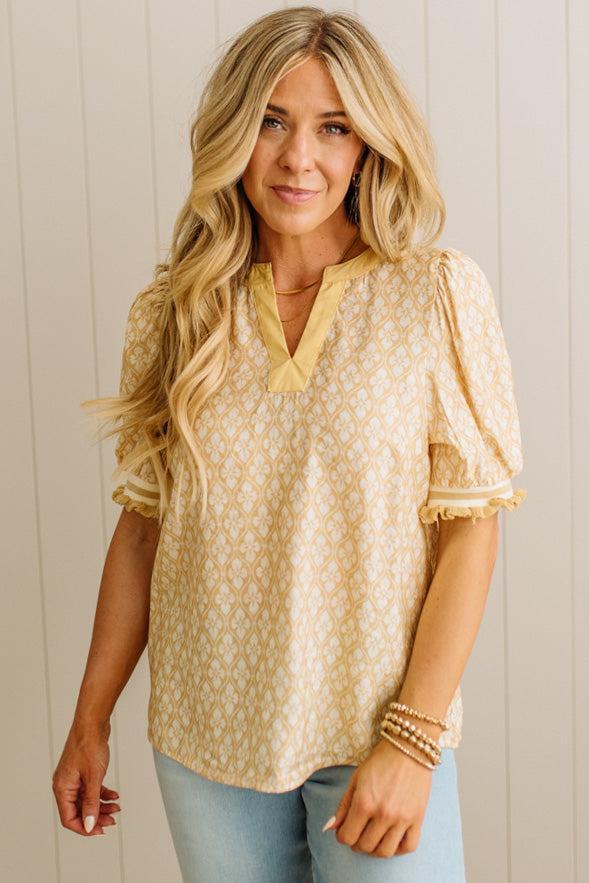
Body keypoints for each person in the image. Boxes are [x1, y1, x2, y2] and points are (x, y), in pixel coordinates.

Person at [51, 6, 527, 881]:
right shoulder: (175, 314)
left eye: (331, 127)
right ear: (233, 131)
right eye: (270, 121)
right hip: (206, 743)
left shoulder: (432, 296)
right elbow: (144, 530)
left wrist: (414, 741)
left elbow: (471, 529)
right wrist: (91, 716)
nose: (297, 157)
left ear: (366, 146)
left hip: (373, 734)